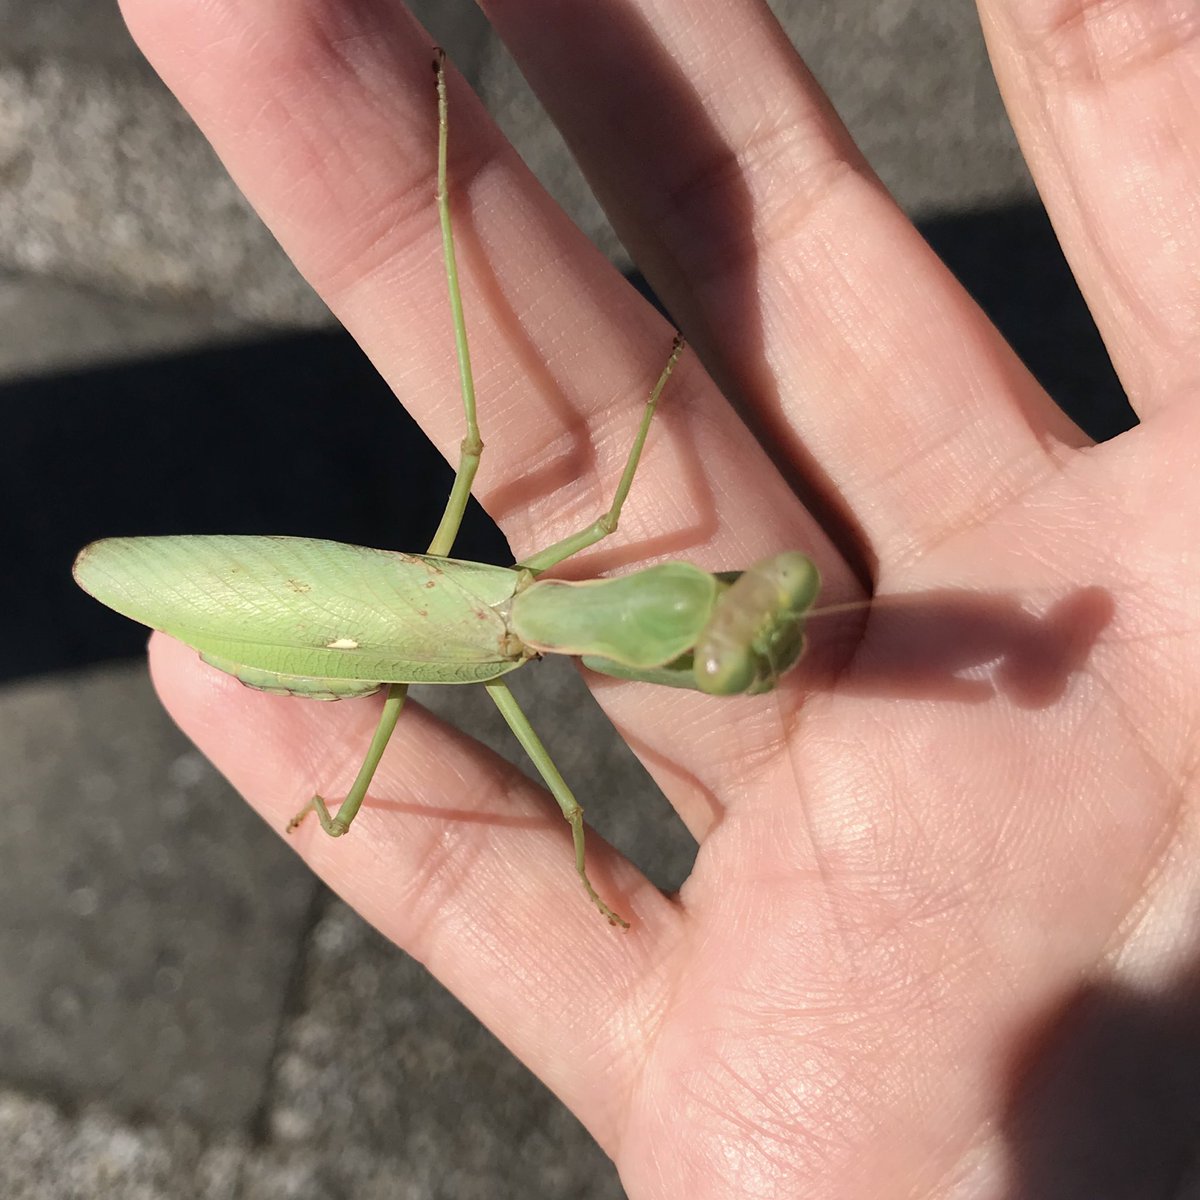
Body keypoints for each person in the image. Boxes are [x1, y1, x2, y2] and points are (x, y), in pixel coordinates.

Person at [120, 0, 1200, 1194]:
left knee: (455, 528)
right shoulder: (565, 614)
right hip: (309, 620)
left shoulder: (570, 601)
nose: (730, 610)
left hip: (355, 621)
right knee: (463, 586)